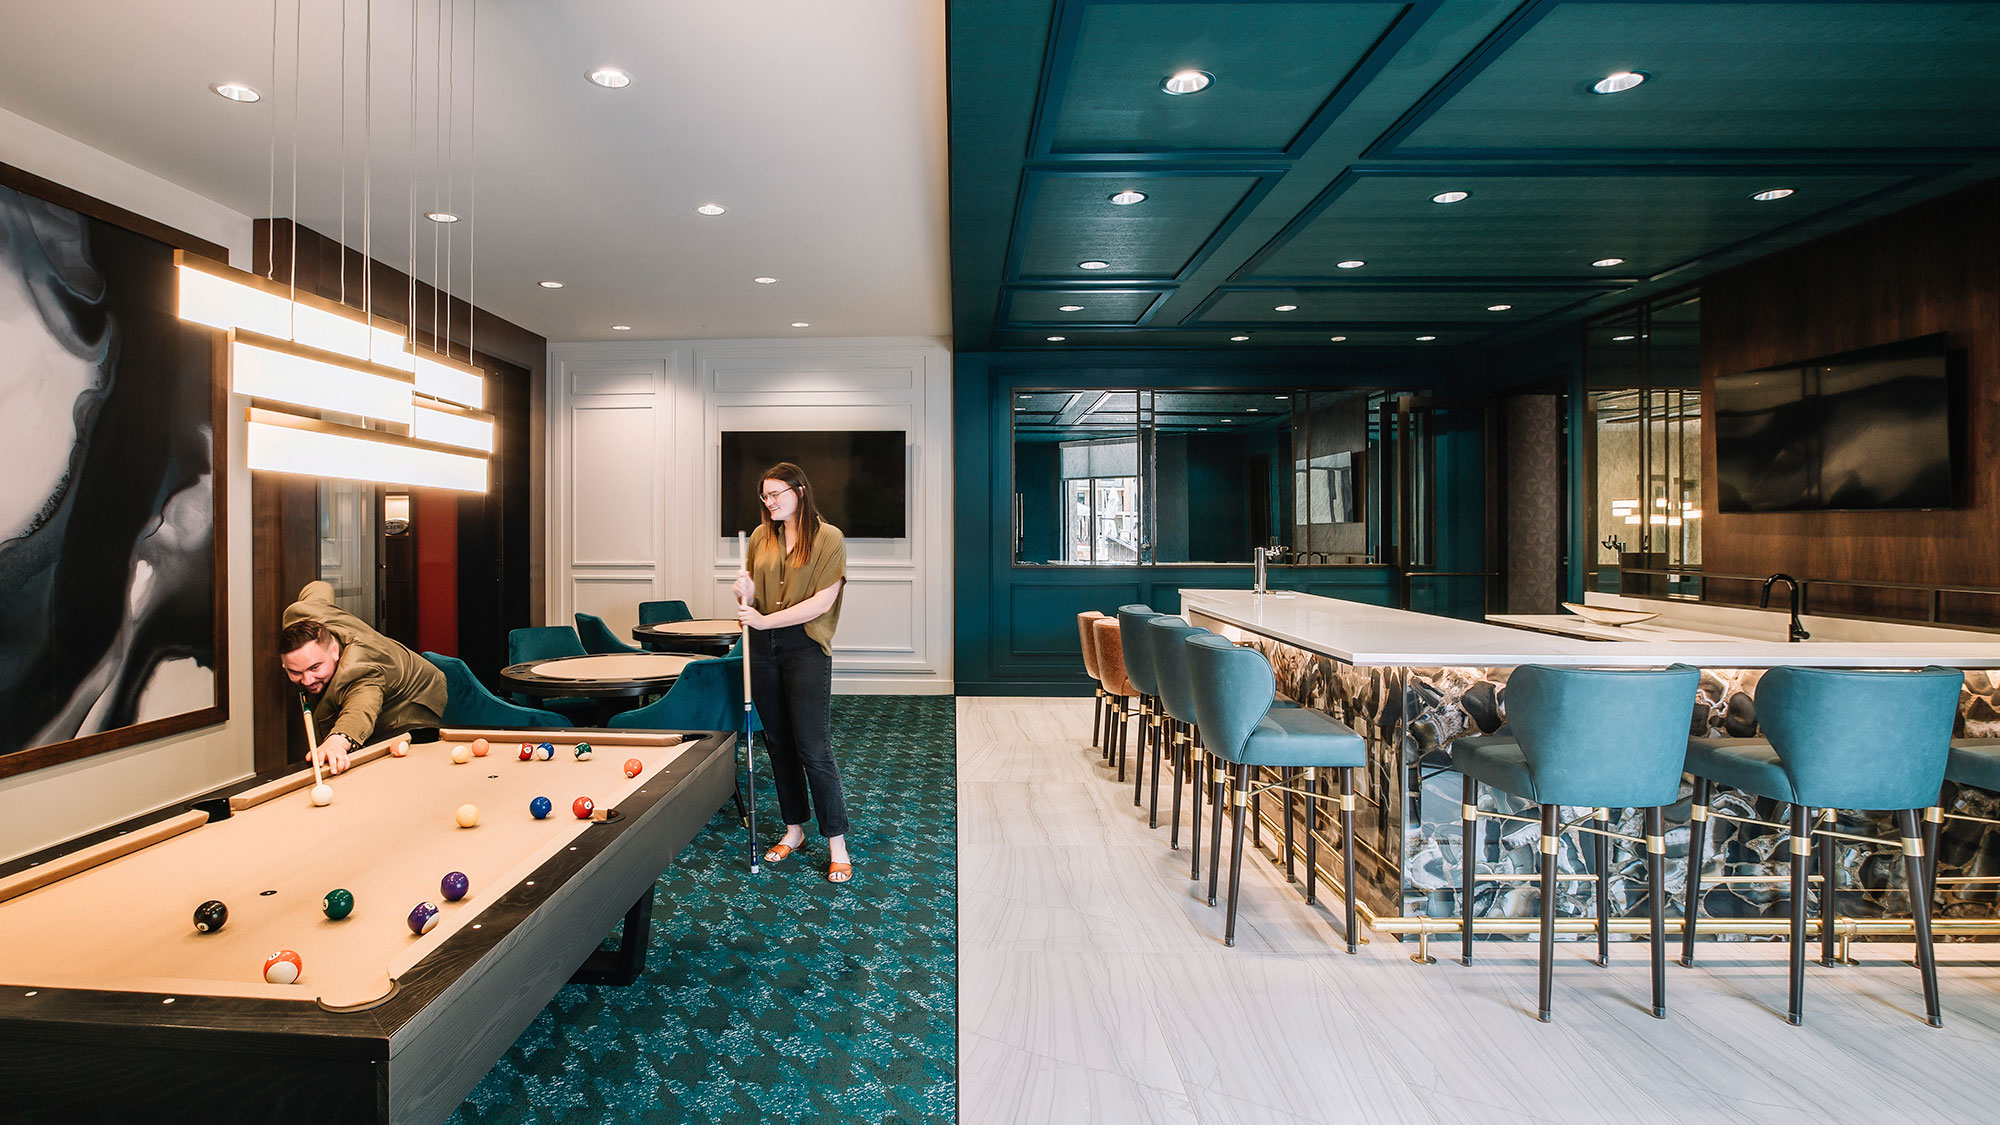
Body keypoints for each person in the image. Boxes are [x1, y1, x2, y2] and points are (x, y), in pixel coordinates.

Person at [732, 462, 853, 883]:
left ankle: (837, 843)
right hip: (762, 649)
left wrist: (765, 621)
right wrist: (744, 590)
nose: (770, 502)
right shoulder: (761, 536)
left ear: (799, 491)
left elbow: (823, 602)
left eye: (777, 494)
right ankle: (794, 830)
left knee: (814, 749)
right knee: (778, 744)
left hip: (805, 647)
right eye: (765, 496)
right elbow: (751, 587)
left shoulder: (828, 537)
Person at [280, 580, 446, 774]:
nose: (307, 680)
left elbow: (360, 708)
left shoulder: (360, 668)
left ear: (334, 651)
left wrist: (337, 742)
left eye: (315, 667)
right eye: (295, 672)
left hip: (414, 694)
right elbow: (319, 588)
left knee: (389, 762)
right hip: (384, 671)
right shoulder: (303, 614)